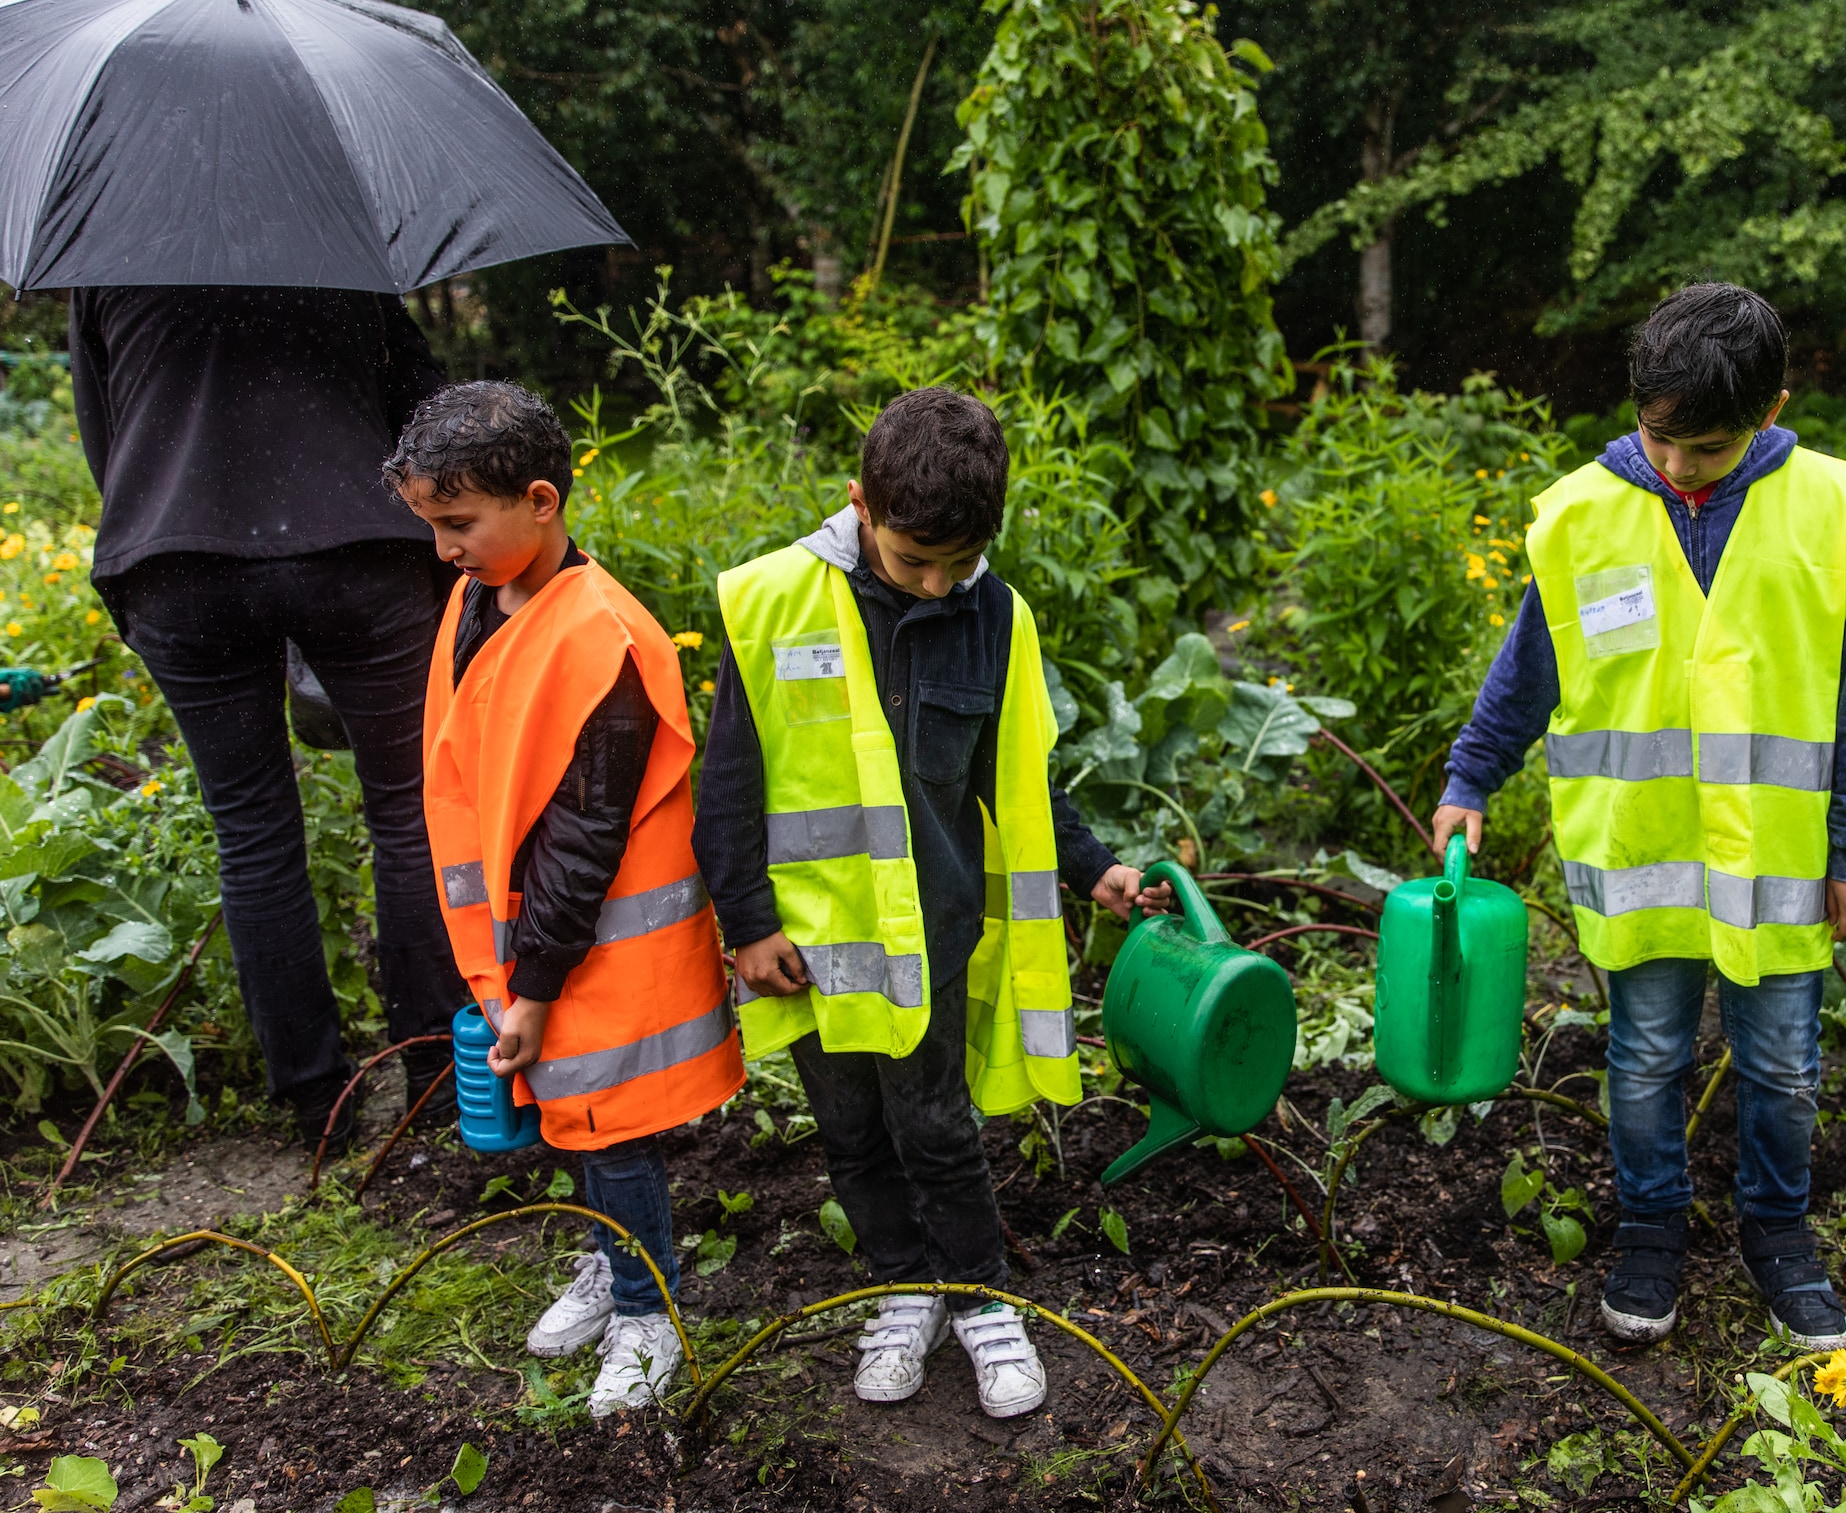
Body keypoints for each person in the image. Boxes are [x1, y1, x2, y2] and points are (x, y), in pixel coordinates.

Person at [1431, 283, 1846, 1351]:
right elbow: (1527, 667)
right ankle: (1649, 1228)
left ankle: (1777, 1233)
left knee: (1780, 1064)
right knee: (1641, 1060)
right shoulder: (1581, 514)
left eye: (1708, 446)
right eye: (1660, 439)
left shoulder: (1826, 513)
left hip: (1774, 866)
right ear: (1635, 406)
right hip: (1639, 857)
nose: (1677, 466)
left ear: (1771, 410)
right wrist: (1469, 778)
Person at [693, 386, 1165, 1420]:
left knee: (935, 1124)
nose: (938, 581)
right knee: (848, 1127)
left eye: (960, 561)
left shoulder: (994, 618)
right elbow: (727, 777)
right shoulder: (773, 603)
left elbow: (1020, 780)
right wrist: (747, 923)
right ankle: (901, 1281)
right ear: (859, 503)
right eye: (915, 562)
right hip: (811, 944)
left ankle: (982, 1294)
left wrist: (1095, 871)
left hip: (931, 936)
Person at [386, 381, 744, 1415]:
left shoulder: (605, 642)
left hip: (591, 952)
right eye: (433, 526)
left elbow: (587, 842)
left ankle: (646, 1309)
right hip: (531, 945)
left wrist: (535, 982)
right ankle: (608, 1269)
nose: (444, 549)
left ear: (540, 500)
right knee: (566, 1121)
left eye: (458, 524)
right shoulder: (476, 598)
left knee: (613, 1132)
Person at [69, 286, 466, 1141]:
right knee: (409, 810)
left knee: (250, 829)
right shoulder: (332, 223)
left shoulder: (108, 251)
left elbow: (107, 434)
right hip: (359, 547)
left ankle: (314, 1100)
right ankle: (436, 1074)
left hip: (178, 559)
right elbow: (423, 402)